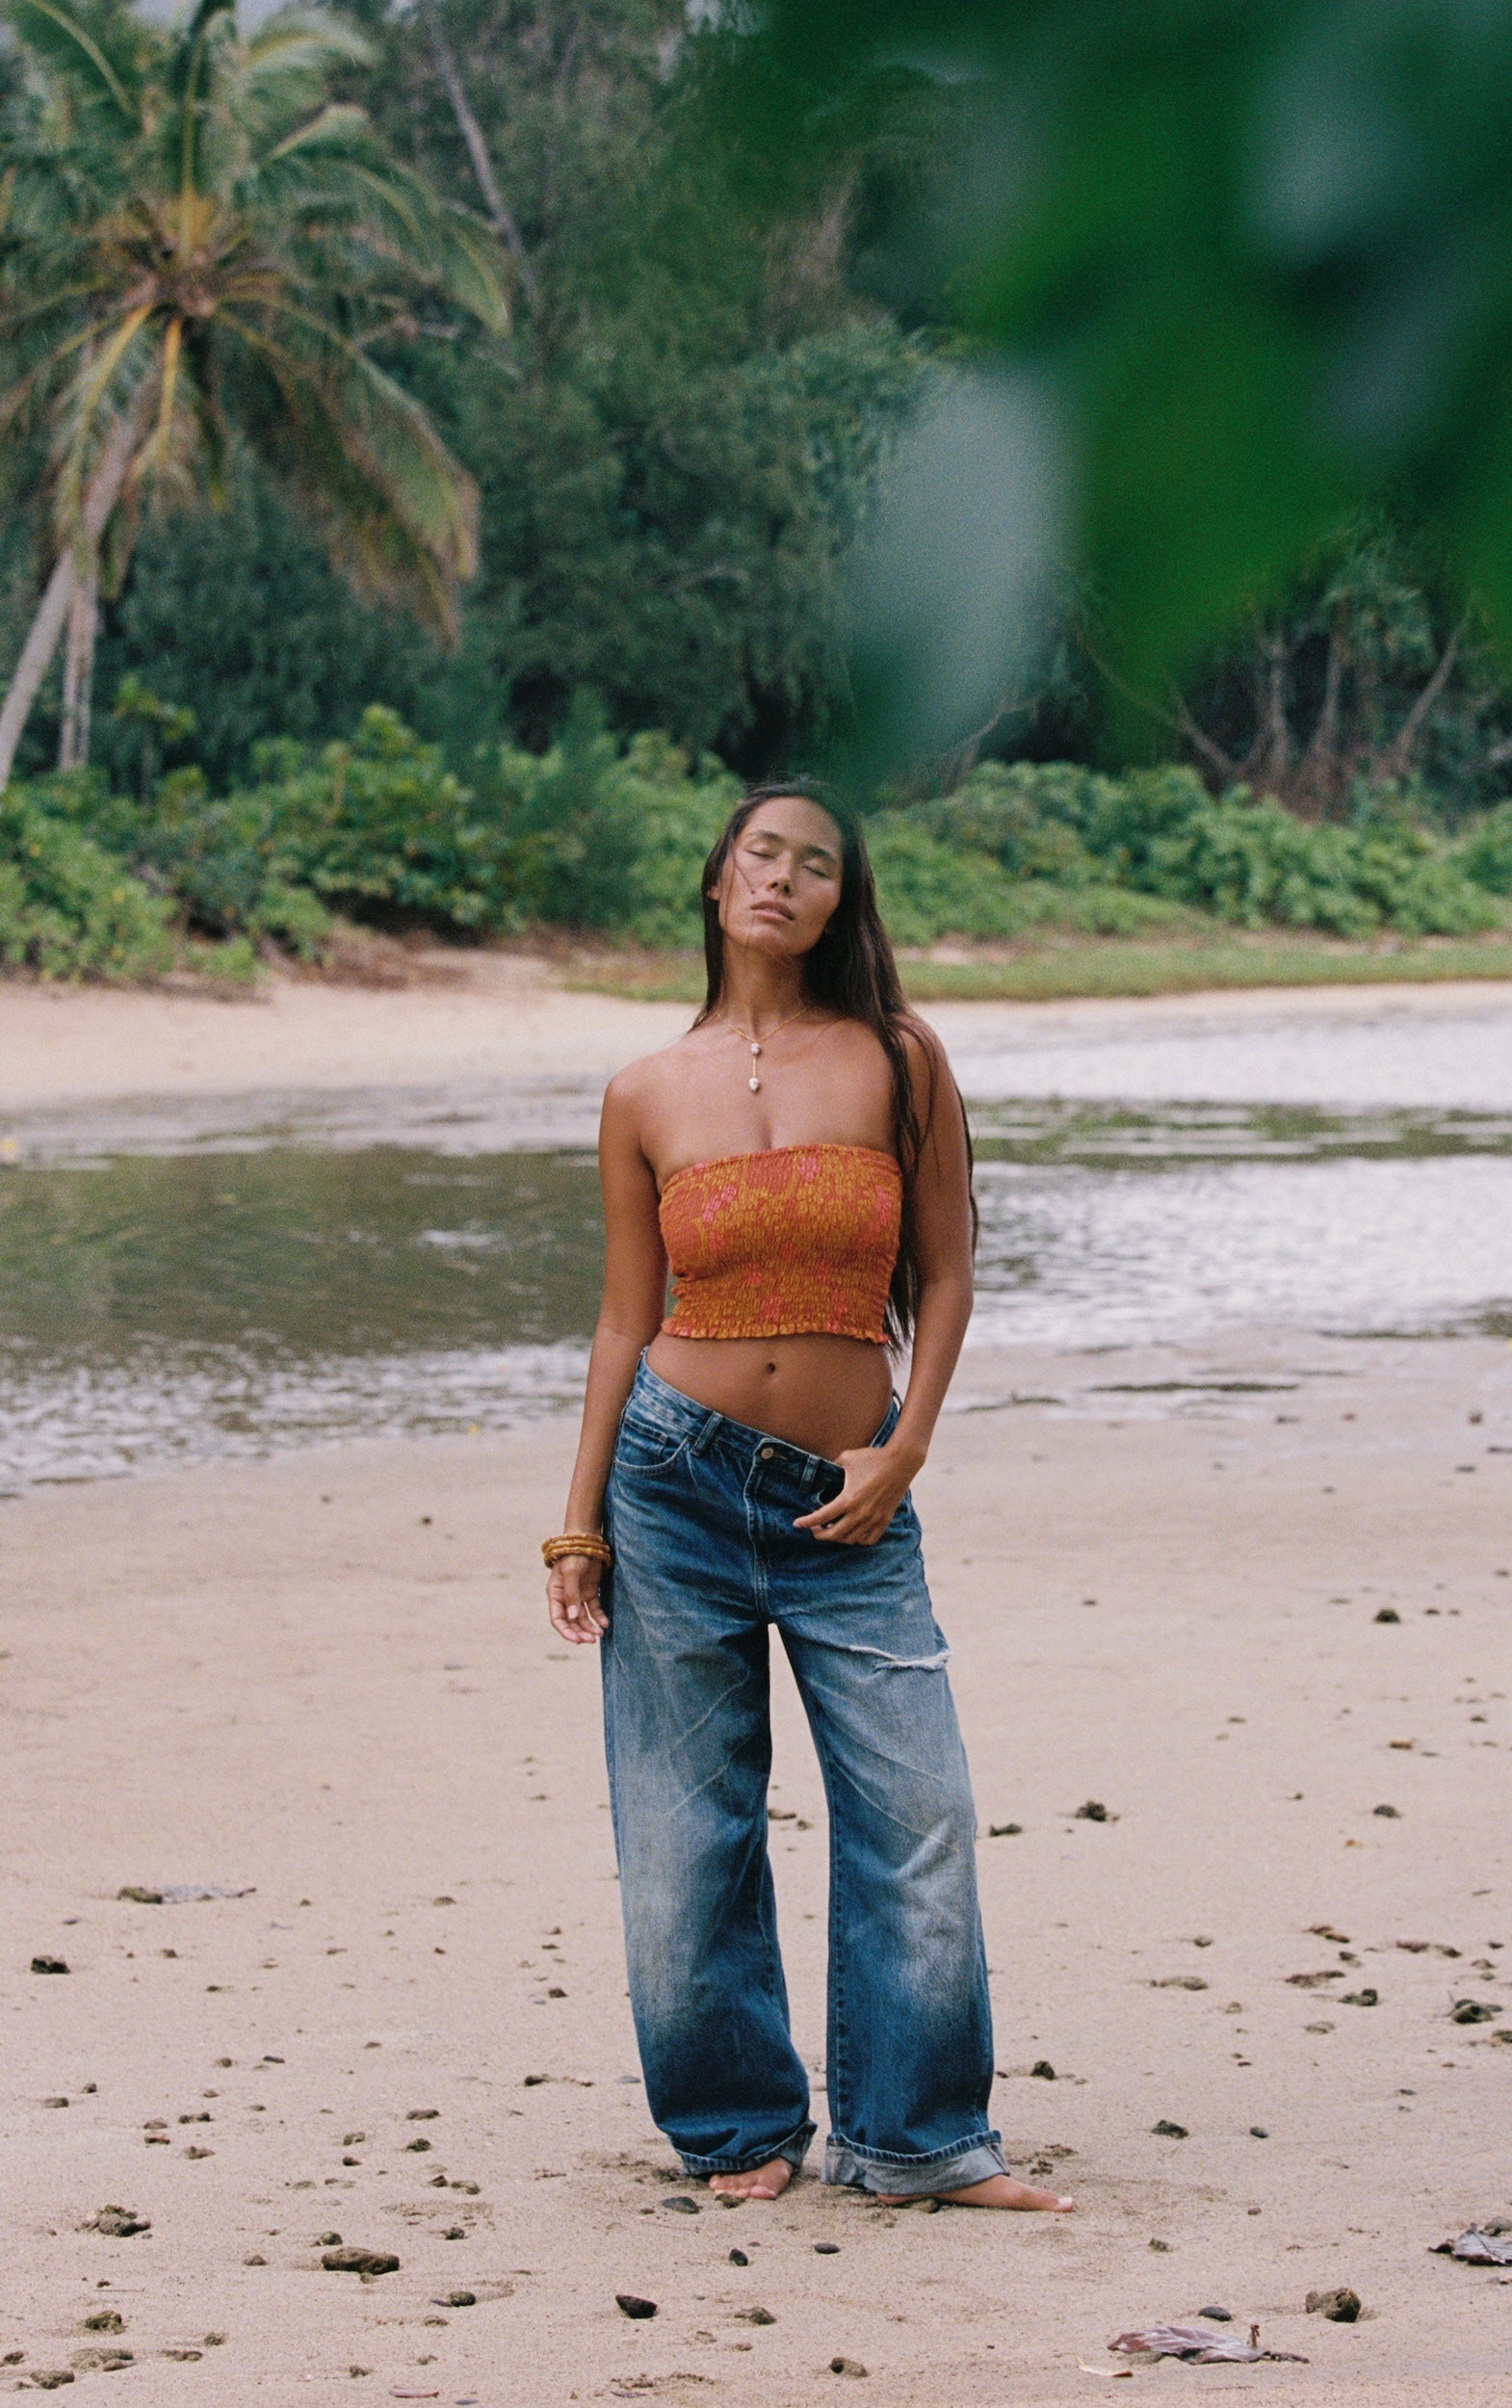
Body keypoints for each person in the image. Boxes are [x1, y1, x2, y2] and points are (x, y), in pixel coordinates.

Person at [543, 780, 1071, 2212]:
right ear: (718, 879)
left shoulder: (900, 1058)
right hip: (670, 1483)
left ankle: (913, 2140)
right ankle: (738, 2131)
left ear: (842, 900)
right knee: (684, 1826)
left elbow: (950, 1271)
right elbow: (616, 1318)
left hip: (852, 1498)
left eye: (816, 863)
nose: (782, 877)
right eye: (761, 852)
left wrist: (905, 1448)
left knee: (918, 1809)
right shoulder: (643, 1091)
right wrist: (577, 1523)